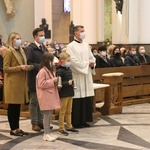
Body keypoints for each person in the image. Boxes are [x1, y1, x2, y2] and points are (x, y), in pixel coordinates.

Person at [3, 32, 32, 136]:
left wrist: (27, 67)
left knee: (17, 107)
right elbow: (6, 68)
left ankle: (17, 127)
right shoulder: (8, 52)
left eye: (20, 38)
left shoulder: (21, 50)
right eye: (17, 38)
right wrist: (20, 68)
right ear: (12, 40)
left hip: (20, 82)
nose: (19, 40)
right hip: (12, 83)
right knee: (12, 107)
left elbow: (22, 63)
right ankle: (13, 129)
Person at [67, 25, 96, 128]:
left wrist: (92, 63)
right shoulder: (71, 46)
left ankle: (84, 120)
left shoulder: (86, 45)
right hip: (77, 75)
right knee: (78, 98)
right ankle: (76, 121)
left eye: (84, 30)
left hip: (87, 75)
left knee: (86, 98)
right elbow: (73, 62)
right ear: (76, 33)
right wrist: (86, 64)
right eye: (82, 31)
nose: (84, 33)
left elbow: (92, 58)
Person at [26, 28, 48, 131]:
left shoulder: (44, 48)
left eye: (43, 35)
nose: (43, 37)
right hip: (34, 78)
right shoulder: (31, 49)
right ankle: (34, 123)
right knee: (34, 102)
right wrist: (41, 66)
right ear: (35, 36)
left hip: (43, 79)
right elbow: (29, 63)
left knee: (41, 101)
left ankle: (40, 122)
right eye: (40, 35)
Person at [36, 52, 61, 142]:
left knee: (49, 115)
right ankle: (45, 134)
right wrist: (52, 81)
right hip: (45, 96)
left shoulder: (49, 70)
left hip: (50, 95)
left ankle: (48, 132)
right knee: (46, 115)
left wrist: (56, 83)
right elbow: (41, 84)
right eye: (51, 60)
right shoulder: (42, 71)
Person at [56, 52, 79, 136]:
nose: (69, 62)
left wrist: (72, 83)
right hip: (64, 93)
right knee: (63, 111)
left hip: (70, 92)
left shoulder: (68, 69)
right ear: (62, 61)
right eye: (68, 60)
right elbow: (58, 83)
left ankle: (69, 125)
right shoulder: (59, 70)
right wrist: (67, 83)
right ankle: (61, 127)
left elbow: (70, 80)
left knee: (69, 110)